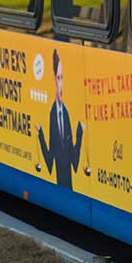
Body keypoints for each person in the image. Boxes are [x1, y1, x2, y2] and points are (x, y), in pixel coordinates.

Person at [36, 49, 85, 190]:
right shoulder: (52, 114)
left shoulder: (67, 113)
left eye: (62, 77)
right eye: (58, 78)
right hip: (59, 183)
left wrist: (79, 133)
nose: (61, 84)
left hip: (70, 185)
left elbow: (74, 160)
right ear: (53, 79)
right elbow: (49, 158)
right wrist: (40, 135)